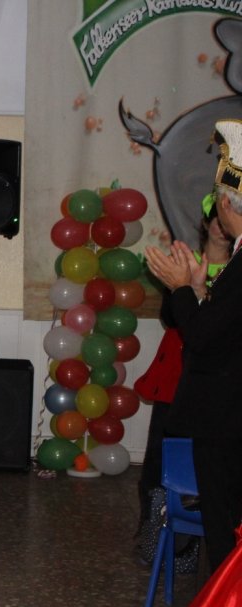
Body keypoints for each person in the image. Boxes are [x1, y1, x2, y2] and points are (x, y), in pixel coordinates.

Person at [144, 118, 242, 575]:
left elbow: (203, 341)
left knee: (226, 531)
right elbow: (223, 330)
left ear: (225, 203)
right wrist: (200, 291)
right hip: (228, 417)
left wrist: (183, 288)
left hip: (227, 421)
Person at [133, 203, 230, 569]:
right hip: (177, 376)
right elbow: (171, 317)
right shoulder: (187, 262)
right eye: (215, 217)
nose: (220, 224)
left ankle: (197, 549)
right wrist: (183, 287)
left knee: (208, 469)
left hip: (216, 385)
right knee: (158, 463)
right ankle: (157, 541)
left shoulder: (235, 269)